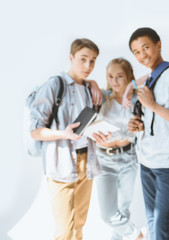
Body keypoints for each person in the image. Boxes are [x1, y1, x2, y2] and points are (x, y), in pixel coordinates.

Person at [127, 27, 169, 240]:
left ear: (158, 45)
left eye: (146, 47)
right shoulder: (149, 78)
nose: (142, 55)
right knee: (151, 219)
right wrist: (139, 125)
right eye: (136, 52)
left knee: (161, 222)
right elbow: (156, 121)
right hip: (146, 158)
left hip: (167, 162)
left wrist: (152, 105)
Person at [30, 38, 102, 240]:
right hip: (61, 164)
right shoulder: (55, 84)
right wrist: (64, 133)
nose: (88, 66)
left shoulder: (89, 88)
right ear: (71, 57)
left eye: (93, 61)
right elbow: (35, 131)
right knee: (64, 231)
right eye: (83, 59)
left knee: (79, 226)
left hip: (86, 162)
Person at [92, 58, 144, 240]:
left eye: (120, 76)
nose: (114, 81)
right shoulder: (102, 97)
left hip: (128, 158)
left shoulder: (137, 98)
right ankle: (136, 235)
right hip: (104, 161)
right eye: (110, 76)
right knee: (108, 214)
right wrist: (92, 82)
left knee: (122, 210)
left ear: (129, 76)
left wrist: (131, 87)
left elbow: (153, 77)